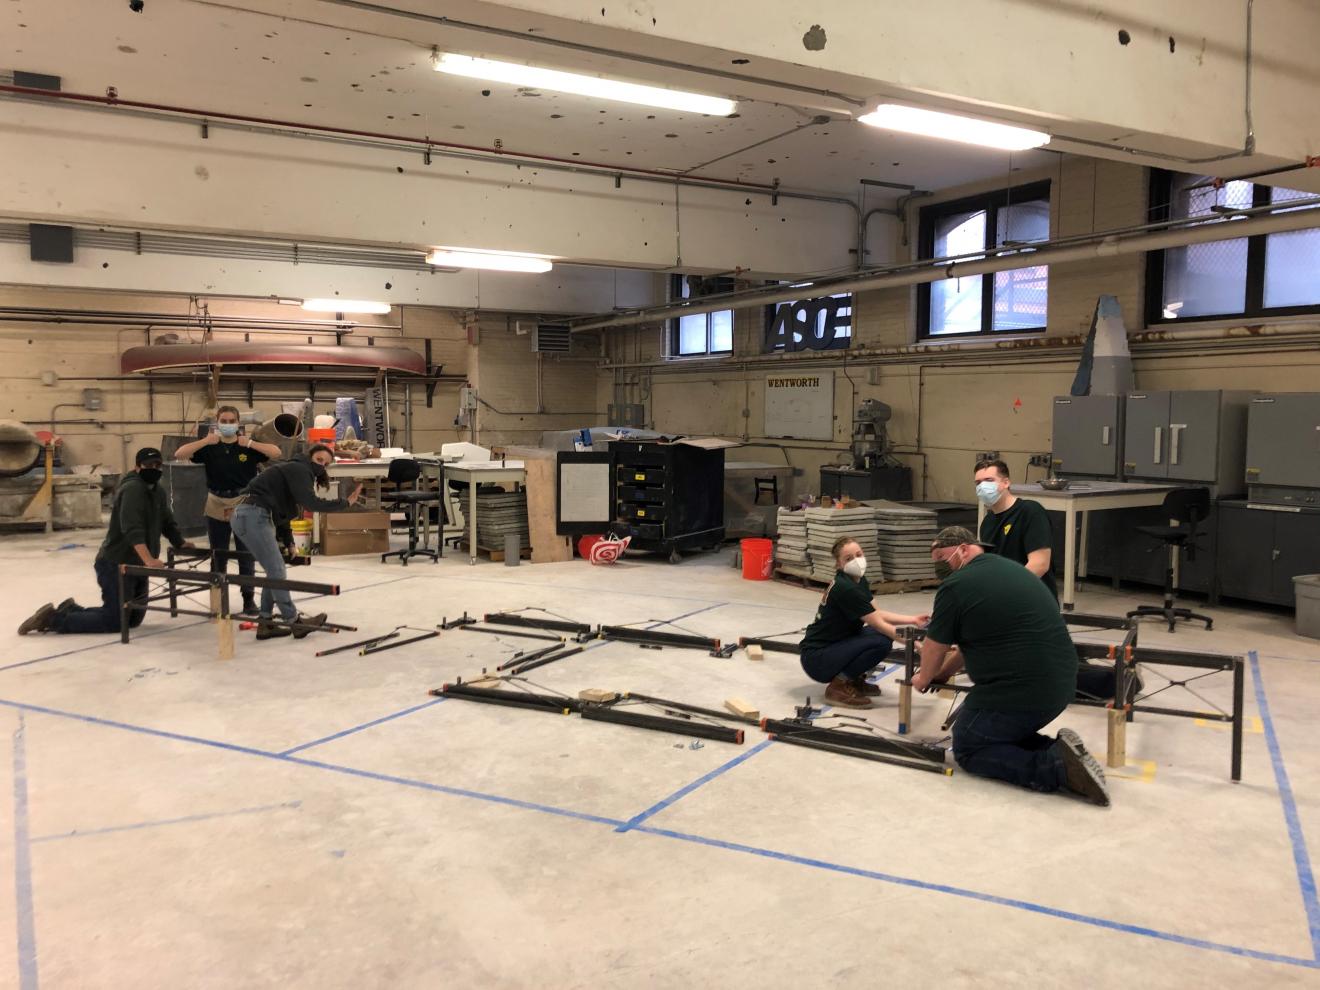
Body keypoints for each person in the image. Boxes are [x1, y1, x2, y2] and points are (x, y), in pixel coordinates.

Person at [912, 526, 1110, 806]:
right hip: (1064, 684)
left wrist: (924, 676)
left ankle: (1057, 769)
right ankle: (1058, 751)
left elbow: (935, 645)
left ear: (964, 549)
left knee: (968, 742)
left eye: (942, 558)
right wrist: (943, 673)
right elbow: (973, 642)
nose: (939, 567)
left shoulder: (955, 587)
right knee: (992, 731)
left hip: (1025, 692)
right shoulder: (1010, 569)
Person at [19, 447, 193, 635]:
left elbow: (166, 520)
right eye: (149, 465)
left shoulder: (158, 491)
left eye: (158, 465)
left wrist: (180, 543)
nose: (155, 469)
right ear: (137, 467)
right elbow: (131, 528)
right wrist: (149, 560)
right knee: (116, 622)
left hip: (138, 564)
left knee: (133, 619)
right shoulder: (132, 489)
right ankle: (53, 619)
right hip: (116, 563)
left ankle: (71, 610)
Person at [230, 444, 362, 640]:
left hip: (254, 515)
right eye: (319, 460)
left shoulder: (294, 470)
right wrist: (346, 503)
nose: (321, 465)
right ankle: (294, 622)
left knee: (273, 570)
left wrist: (289, 541)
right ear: (309, 456)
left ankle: (265, 623)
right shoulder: (299, 469)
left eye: (325, 463)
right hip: (252, 515)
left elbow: (282, 510)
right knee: (276, 570)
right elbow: (311, 503)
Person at [173, 406, 284, 615]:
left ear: (238, 423)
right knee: (218, 554)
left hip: (243, 503)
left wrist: (250, 442)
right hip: (216, 502)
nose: (227, 424)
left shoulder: (247, 447)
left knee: (246, 554)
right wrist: (206, 441)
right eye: (223, 420)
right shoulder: (209, 447)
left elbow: (277, 452)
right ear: (217, 423)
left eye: (231, 420)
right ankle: (218, 600)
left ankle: (248, 599)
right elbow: (180, 453)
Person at [798, 536, 929, 709]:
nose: (856, 560)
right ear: (838, 564)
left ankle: (852, 679)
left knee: (881, 635)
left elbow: (876, 613)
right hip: (817, 659)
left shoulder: (858, 580)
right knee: (880, 641)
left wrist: (912, 619)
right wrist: (915, 644)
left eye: (858, 554)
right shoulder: (846, 588)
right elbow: (879, 624)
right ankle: (838, 687)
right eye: (849, 558)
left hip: (834, 646)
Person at [974, 458, 1056, 599]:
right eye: (978, 483)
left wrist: (1008, 590)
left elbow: (1040, 564)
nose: (982, 486)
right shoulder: (987, 523)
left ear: (1006, 482)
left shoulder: (1030, 512)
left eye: (989, 480)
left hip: (1033, 598)